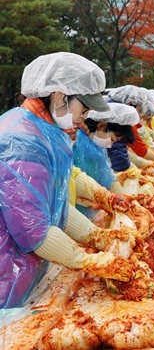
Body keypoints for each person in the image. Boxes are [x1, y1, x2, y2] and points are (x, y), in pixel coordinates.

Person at [0, 52, 136, 309]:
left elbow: (55, 206)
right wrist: (89, 260)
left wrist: (96, 236)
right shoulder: (21, 141)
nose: (84, 118)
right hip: (7, 274)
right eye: (83, 109)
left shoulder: (47, 132)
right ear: (60, 96)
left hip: (25, 271)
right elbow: (33, 230)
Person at [73, 103, 140, 217]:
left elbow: (106, 174)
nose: (110, 145)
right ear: (101, 126)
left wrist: (125, 198)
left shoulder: (97, 143)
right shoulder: (75, 141)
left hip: (92, 208)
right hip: (76, 210)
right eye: (113, 139)